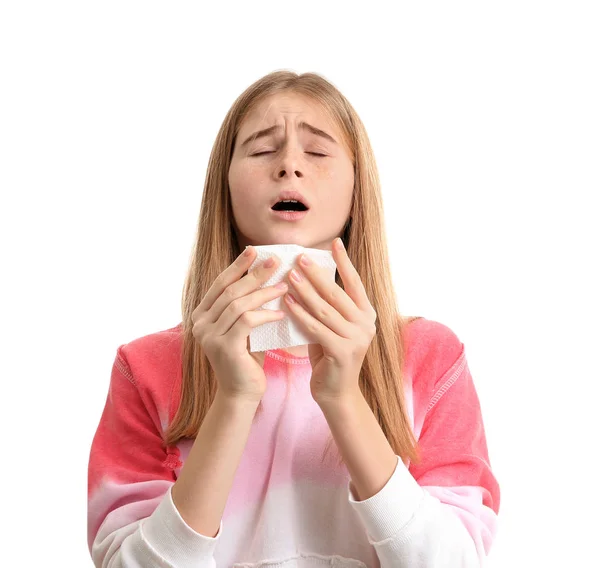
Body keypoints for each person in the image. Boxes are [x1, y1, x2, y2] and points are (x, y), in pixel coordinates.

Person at [87, 70, 500, 567]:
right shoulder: (146, 367)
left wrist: (344, 399)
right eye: (262, 150)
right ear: (226, 186)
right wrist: (234, 399)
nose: (288, 166)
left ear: (356, 187)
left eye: (318, 152)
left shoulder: (432, 358)